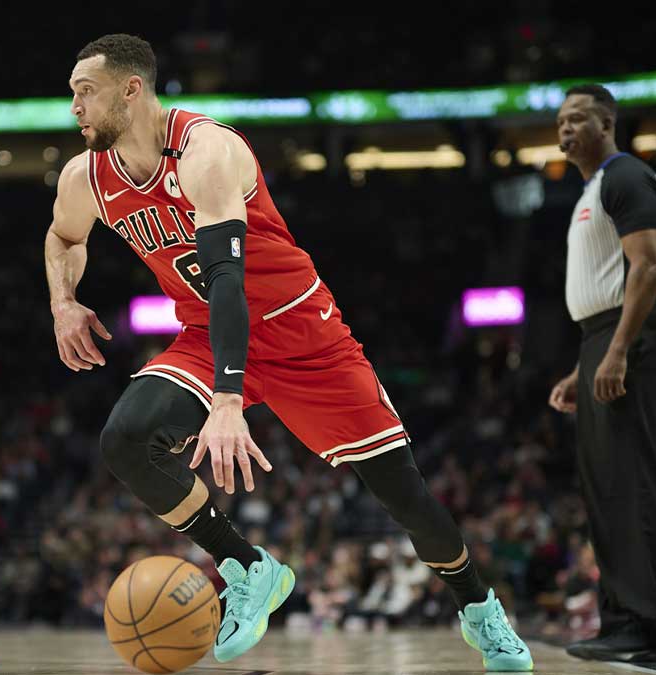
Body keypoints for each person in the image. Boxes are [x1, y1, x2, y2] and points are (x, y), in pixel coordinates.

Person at [44, 34, 532, 671]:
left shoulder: (208, 150)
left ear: (131, 89)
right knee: (125, 437)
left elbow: (226, 279)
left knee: (404, 496)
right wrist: (63, 301)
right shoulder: (88, 176)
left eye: (86, 91)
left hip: (303, 334)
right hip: (204, 332)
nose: (75, 105)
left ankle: (479, 609)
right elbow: (62, 236)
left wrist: (227, 399)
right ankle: (248, 566)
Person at [549, 83, 656, 663]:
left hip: (634, 332)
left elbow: (647, 266)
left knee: (631, 482)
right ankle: (622, 619)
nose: (566, 129)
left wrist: (620, 349)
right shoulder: (592, 188)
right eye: (560, 121)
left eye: (578, 119)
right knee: (605, 487)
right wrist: (590, 361)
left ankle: (651, 628)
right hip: (603, 335)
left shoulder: (626, 176)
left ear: (606, 123)